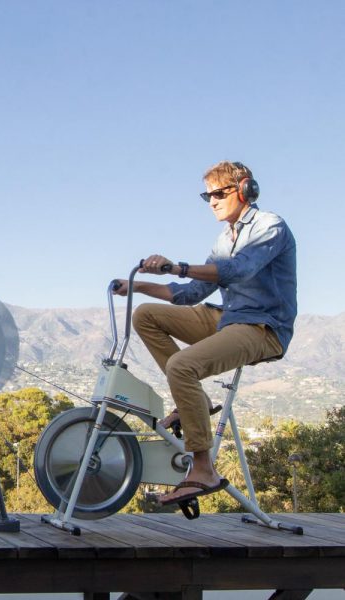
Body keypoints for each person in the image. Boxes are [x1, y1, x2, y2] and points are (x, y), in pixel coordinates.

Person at [112, 160, 296, 506]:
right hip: (227, 318)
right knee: (146, 315)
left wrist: (176, 265)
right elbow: (190, 294)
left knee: (181, 366)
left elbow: (239, 270)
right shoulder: (224, 239)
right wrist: (139, 285)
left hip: (262, 327)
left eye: (218, 193)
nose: (211, 201)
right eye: (206, 195)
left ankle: (202, 468)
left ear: (244, 190)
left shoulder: (270, 226)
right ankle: (193, 403)